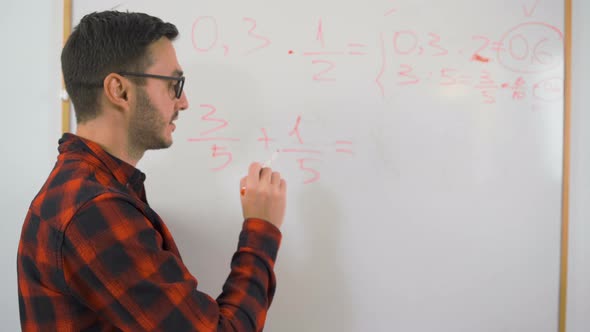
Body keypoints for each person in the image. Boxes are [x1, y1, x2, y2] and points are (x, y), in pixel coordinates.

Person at [17, 10, 287, 332]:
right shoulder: (93, 211)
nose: (184, 102)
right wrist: (262, 228)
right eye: (174, 84)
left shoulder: (92, 191)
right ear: (120, 91)